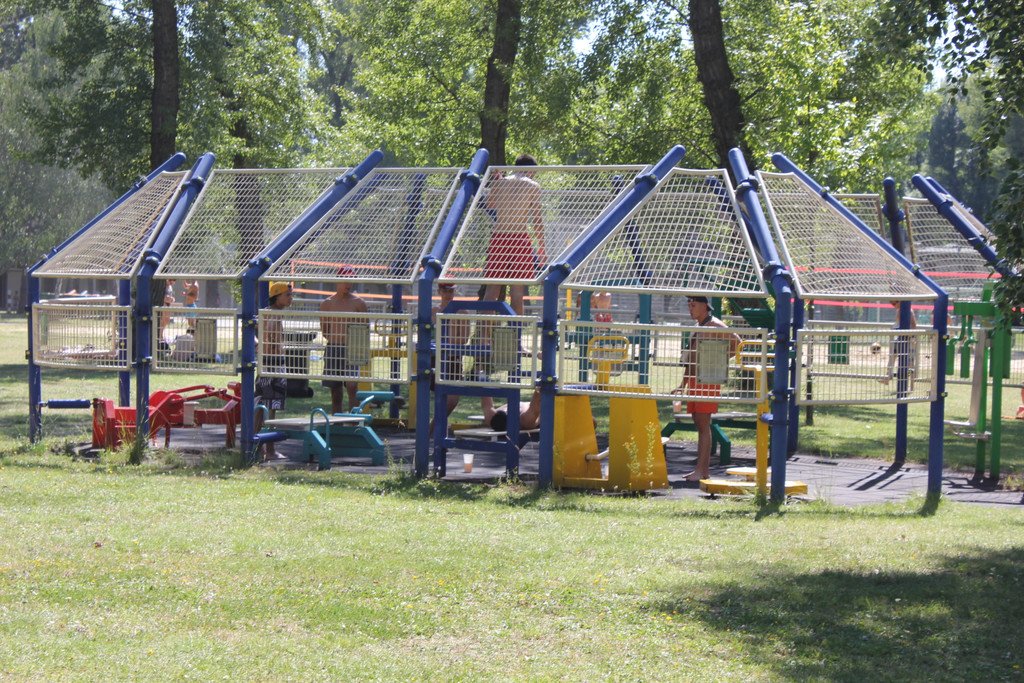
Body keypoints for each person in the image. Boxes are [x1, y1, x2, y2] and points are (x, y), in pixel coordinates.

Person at [672, 296, 738, 482]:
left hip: (707, 381)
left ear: (705, 306)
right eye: (689, 305)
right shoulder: (699, 327)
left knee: (703, 424)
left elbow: (737, 342)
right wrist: (683, 385)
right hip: (695, 380)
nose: (690, 308)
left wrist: (718, 360)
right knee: (698, 423)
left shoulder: (715, 325)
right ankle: (700, 470)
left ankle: (702, 471)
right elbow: (690, 359)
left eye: (693, 305)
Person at [482, 154, 544, 315]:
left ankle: (484, 331)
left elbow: (490, 204)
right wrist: (542, 248)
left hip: (499, 237)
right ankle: (516, 330)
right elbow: (537, 220)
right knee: (517, 292)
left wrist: (498, 182)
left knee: (491, 290)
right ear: (531, 170)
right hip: (520, 238)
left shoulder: (499, 183)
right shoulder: (532, 185)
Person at [320, 266, 368, 413]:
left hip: (353, 348)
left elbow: (364, 328)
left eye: (351, 280)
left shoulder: (359, 303)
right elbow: (325, 330)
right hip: (334, 347)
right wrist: (337, 338)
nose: (348, 284)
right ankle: (337, 421)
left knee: (352, 387)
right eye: (345, 280)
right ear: (338, 280)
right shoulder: (327, 303)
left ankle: (353, 421)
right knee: (335, 390)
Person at [255, 281, 293, 461]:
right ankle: (268, 449)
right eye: (287, 295)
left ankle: (259, 446)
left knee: (262, 405)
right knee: (271, 407)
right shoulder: (274, 315)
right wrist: (276, 349)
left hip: (266, 362)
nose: (291, 298)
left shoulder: (266, 313)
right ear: (277, 297)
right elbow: (271, 336)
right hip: (273, 363)